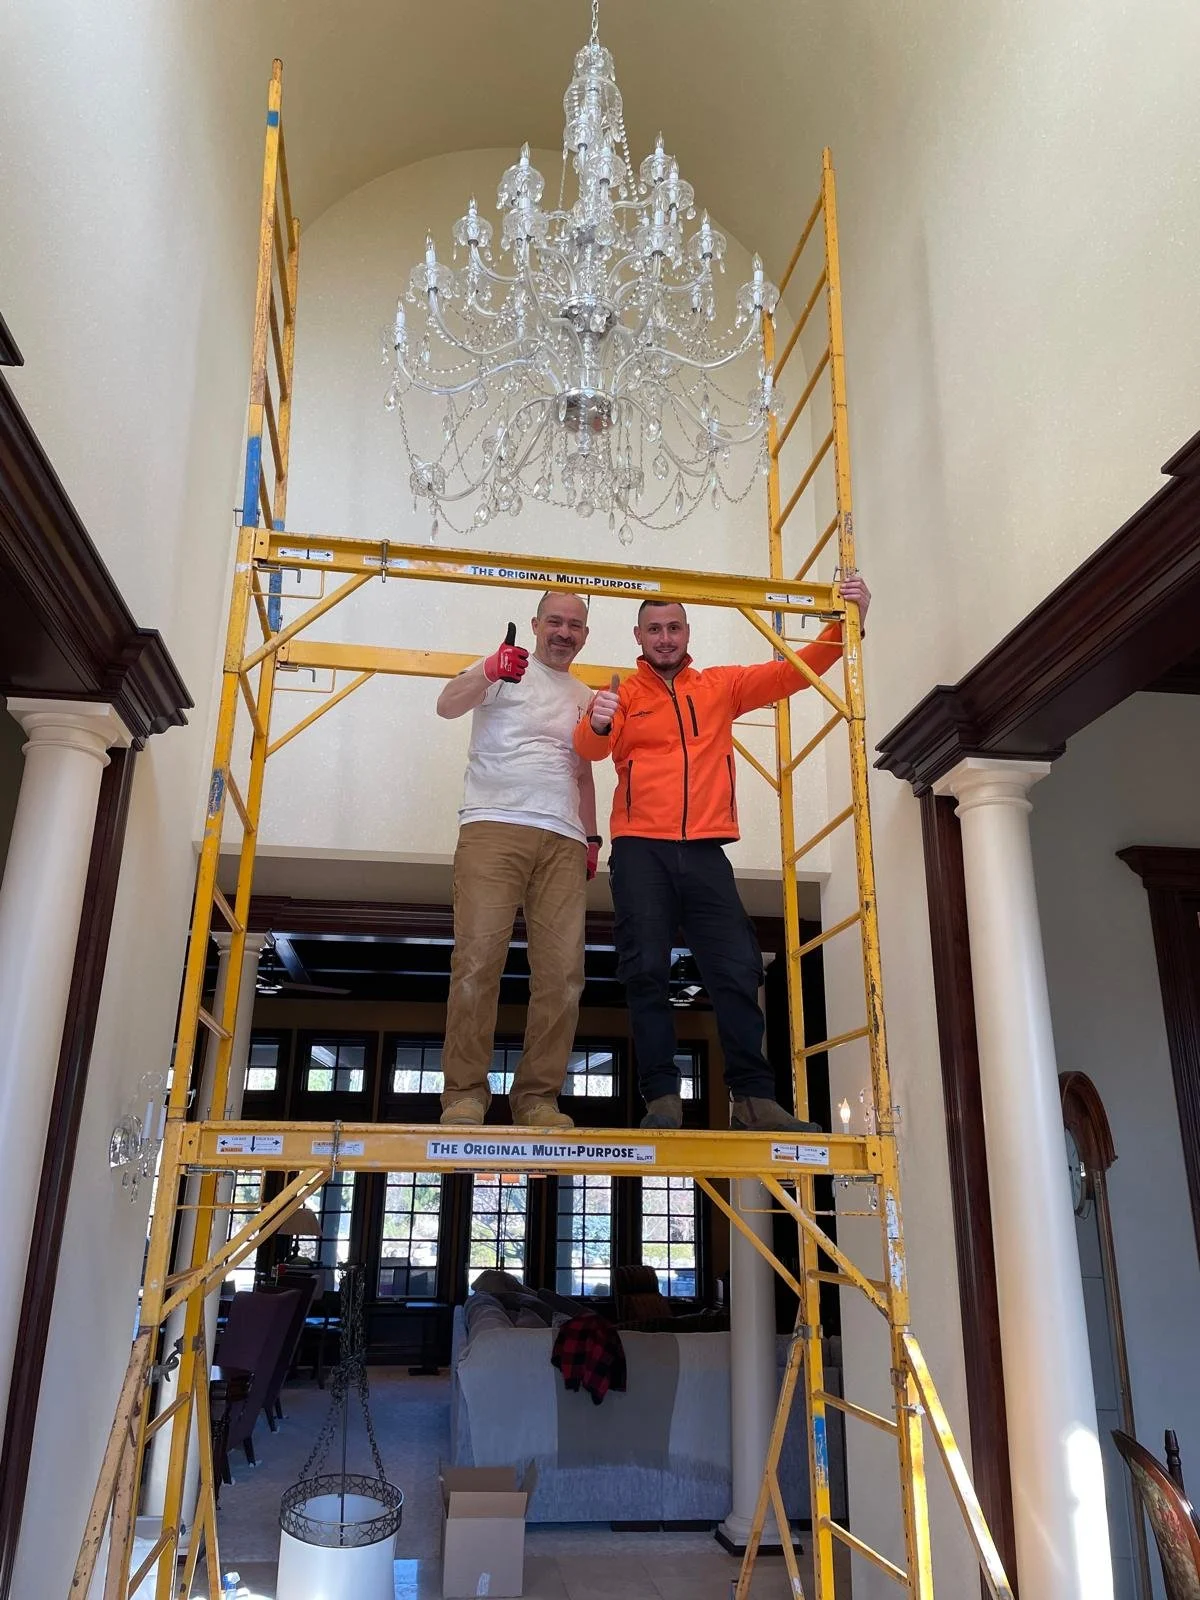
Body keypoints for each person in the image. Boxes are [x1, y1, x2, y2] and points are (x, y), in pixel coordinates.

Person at [573, 576, 871, 1130]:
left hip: (706, 849)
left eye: (674, 627)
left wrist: (847, 624)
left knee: (737, 969)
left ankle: (754, 1099)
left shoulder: (719, 686)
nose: (665, 637)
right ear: (638, 636)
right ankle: (661, 1098)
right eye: (655, 629)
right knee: (645, 972)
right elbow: (588, 748)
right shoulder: (621, 695)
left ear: (688, 631)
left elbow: (792, 674)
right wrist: (598, 719)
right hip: (641, 849)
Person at [436, 591, 601, 1129]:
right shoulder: (505, 667)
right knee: (478, 961)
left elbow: (583, 771)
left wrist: (593, 838)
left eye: (574, 624)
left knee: (564, 974)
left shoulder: (584, 693)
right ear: (535, 624)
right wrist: (487, 669)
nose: (563, 631)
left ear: (584, 633)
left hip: (564, 837)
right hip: (492, 824)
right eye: (554, 620)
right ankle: (463, 1094)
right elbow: (447, 704)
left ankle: (537, 1099)